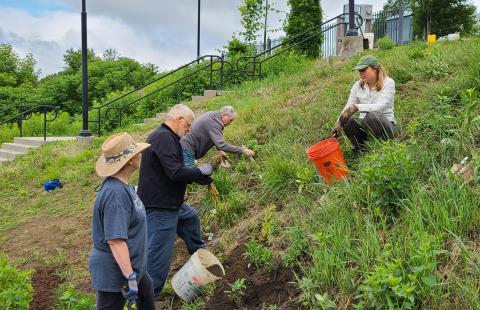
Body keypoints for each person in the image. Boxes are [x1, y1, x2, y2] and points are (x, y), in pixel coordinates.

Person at [137, 104, 213, 298]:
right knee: (158, 255)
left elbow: (176, 170)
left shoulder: (169, 138)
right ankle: (148, 298)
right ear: (178, 119)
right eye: (188, 125)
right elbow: (175, 172)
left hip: (171, 203)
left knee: (190, 217)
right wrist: (199, 172)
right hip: (160, 207)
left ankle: (200, 255)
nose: (189, 130)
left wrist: (202, 177)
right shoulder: (162, 138)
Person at [88, 132, 155, 310]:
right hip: (116, 271)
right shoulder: (115, 194)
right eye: (137, 153)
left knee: (147, 291)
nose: (140, 154)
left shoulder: (123, 187)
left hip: (133, 266)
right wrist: (130, 276)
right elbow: (115, 240)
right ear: (130, 160)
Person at [332, 55, 397, 153]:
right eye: (359, 70)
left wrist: (357, 107)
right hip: (365, 127)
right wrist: (339, 122)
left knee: (371, 116)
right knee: (348, 119)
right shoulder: (358, 85)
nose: (361, 73)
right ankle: (360, 150)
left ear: (375, 68)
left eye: (364, 69)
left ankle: (378, 150)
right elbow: (349, 106)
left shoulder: (388, 83)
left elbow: (381, 106)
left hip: (386, 128)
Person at [181, 106, 255, 167]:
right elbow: (221, 145)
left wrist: (220, 150)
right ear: (223, 115)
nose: (231, 123)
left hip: (185, 147)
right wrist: (243, 150)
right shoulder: (214, 123)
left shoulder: (212, 116)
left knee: (184, 174)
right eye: (230, 120)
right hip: (187, 150)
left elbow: (214, 137)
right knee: (185, 177)